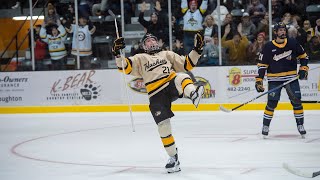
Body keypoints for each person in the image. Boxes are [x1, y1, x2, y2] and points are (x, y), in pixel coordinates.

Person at [112, 32, 205, 173]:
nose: (151, 42)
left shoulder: (167, 54)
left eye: (153, 40)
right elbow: (125, 67)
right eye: (148, 41)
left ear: (158, 43)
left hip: (170, 83)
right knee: (163, 127)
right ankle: (173, 158)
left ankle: (193, 93)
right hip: (155, 94)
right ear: (144, 46)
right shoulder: (140, 58)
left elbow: (187, 64)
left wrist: (197, 50)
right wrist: (118, 54)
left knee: (182, 76)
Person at [255, 22, 309, 138]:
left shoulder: (293, 43)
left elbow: (304, 57)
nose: (282, 32)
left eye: (284, 30)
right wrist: (259, 80)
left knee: (297, 102)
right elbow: (262, 65)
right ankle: (265, 126)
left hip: (291, 78)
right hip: (275, 79)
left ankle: (300, 125)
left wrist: (303, 68)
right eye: (280, 30)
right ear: (275, 32)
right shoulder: (268, 47)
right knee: (271, 103)